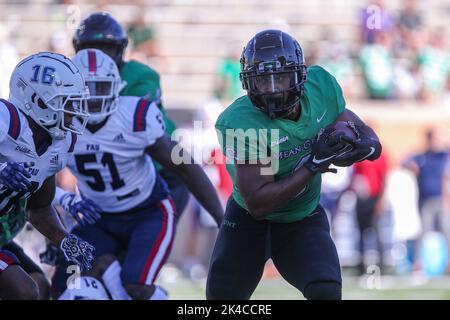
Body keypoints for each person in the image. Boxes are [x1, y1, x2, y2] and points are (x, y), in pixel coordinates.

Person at [208, 29, 382, 300]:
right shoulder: (240, 121)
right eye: (264, 82)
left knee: (325, 291)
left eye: (282, 78)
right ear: (248, 84)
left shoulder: (320, 86)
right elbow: (258, 203)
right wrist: (313, 165)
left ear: (300, 75)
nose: (274, 90)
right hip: (247, 225)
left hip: (301, 219)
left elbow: (354, 126)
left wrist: (367, 142)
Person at [52, 49, 223, 300]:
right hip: (98, 216)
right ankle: (108, 266)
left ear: (116, 88)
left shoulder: (134, 116)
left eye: (100, 88)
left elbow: (185, 167)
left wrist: (223, 219)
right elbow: (36, 184)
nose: (93, 99)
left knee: (136, 287)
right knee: (63, 286)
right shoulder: (61, 123)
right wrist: (64, 198)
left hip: (147, 211)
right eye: (86, 89)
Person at [72, 12, 189, 217]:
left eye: (105, 49)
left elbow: (129, 130)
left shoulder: (139, 76)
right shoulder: (71, 75)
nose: (98, 56)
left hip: (159, 170)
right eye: (91, 48)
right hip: (111, 177)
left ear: (120, 50)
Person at [0, 52, 94, 299]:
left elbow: (39, 208)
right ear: (37, 100)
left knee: (39, 286)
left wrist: (64, 239)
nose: (73, 110)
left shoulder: (57, 144)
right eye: (66, 101)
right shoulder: (5, 120)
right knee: (22, 290)